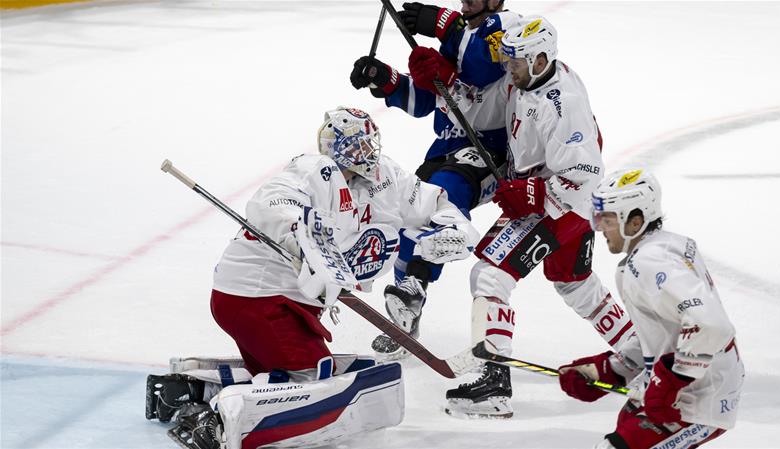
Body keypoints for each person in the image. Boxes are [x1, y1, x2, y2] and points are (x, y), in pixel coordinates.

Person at [145, 107, 480, 449]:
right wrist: (299, 232)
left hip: (287, 302)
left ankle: (191, 390)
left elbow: (433, 201)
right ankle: (215, 420)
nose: (366, 152)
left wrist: (455, 229)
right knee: (313, 377)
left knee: (293, 379)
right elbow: (271, 202)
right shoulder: (313, 170)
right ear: (338, 146)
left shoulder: (385, 177)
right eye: (357, 145)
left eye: (369, 143)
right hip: (255, 297)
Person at [443, 16, 639, 419]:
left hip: (562, 204)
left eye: (515, 62)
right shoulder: (527, 79)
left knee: (490, 274)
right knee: (575, 284)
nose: (508, 69)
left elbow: (585, 176)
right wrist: (445, 84)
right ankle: (644, 356)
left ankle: (495, 383)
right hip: (554, 200)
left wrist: (534, 192)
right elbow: (484, 113)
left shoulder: (563, 102)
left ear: (540, 59)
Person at [349, 0, 521, 359]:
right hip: (446, 147)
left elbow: (480, 70)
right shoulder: (458, 35)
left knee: (446, 192)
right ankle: (405, 312)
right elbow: (428, 100)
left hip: (491, 151)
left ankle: (418, 283)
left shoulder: (507, 27)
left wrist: (446, 26)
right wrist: (385, 79)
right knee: (408, 211)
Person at [557, 168, 744, 449]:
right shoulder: (665, 246)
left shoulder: (652, 262)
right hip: (678, 389)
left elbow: (711, 325)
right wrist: (609, 369)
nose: (600, 227)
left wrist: (669, 381)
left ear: (635, 222)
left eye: (607, 219)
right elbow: (665, 329)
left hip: (699, 399)